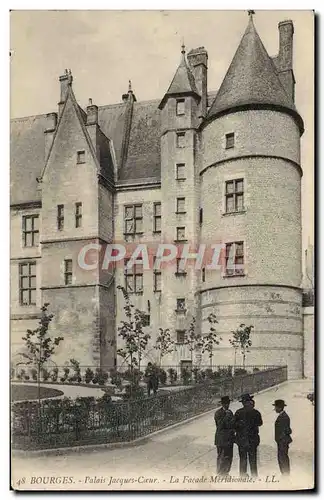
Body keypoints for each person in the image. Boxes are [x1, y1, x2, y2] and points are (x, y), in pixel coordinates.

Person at [234, 393, 263, 477]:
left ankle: (242, 476)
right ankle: (254, 476)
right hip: (252, 440)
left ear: (243, 403)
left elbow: (234, 425)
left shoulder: (238, 412)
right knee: (253, 459)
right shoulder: (255, 412)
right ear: (249, 402)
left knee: (243, 459)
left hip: (242, 440)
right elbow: (260, 423)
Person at [214, 396, 235, 476]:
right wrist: (226, 416)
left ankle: (226, 472)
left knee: (229, 456)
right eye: (225, 403)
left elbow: (232, 424)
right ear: (222, 404)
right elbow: (220, 425)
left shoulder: (230, 412)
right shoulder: (218, 413)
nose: (227, 405)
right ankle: (219, 473)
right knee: (221, 457)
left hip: (229, 439)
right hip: (221, 439)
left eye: (228, 403)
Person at [273, 399, 292, 475]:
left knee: (283, 458)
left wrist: (280, 439)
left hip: (282, 441)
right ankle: (285, 474)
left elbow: (287, 430)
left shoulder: (284, 417)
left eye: (276, 407)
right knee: (282, 458)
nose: (275, 409)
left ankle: (285, 475)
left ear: (280, 408)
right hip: (282, 441)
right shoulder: (282, 416)